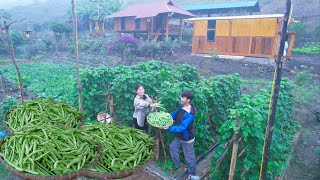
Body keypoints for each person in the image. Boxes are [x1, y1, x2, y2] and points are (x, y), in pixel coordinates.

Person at [167, 91, 198, 180]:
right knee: (172, 147)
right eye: (181, 97)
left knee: (189, 157)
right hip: (179, 136)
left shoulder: (190, 115)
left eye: (183, 98)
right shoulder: (181, 107)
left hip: (187, 138)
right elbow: (174, 114)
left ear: (188, 100)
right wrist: (166, 117)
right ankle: (178, 166)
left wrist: (169, 128)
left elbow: (182, 127)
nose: (181, 99)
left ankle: (192, 174)